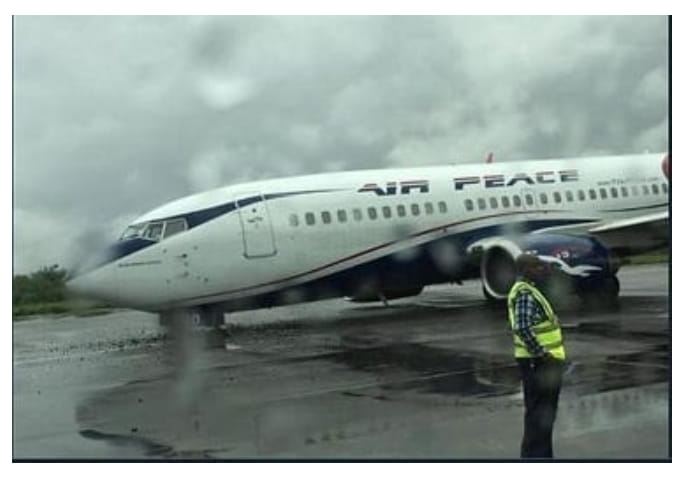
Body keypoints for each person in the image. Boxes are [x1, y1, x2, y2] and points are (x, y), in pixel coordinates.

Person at [507, 252, 566, 459]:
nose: (542, 270)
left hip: (539, 363)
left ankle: (539, 456)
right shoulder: (524, 293)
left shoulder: (530, 290)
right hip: (539, 364)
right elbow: (522, 327)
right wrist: (542, 354)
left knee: (541, 415)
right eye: (537, 267)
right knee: (539, 415)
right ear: (526, 270)